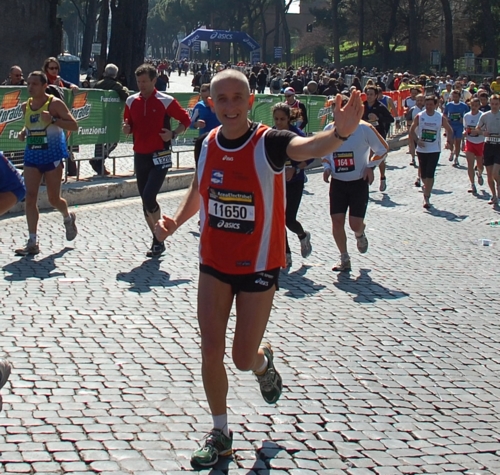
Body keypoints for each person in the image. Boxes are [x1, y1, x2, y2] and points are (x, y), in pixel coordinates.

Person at [154, 69, 363, 468]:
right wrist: (175, 223)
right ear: (211, 103)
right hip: (213, 262)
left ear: (251, 102)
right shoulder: (208, 143)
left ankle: (262, 362)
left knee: (241, 357)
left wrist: (338, 135)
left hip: (259, 265)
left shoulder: (270, 141)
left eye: (237, 98)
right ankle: (220, 433)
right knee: (210, 349)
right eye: (222, 99)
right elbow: (200, 191)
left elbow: (307, 147)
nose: (230, 106)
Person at [123, 63, 191, 257]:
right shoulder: (131, 100)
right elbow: (127, 122)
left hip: (160, 154)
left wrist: (173, 133)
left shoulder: (165, 100)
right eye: (138, 82)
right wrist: (127, 128)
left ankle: (158, 238)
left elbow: (186, 119)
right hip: (140, 154)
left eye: (145, 81)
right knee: (145, 201)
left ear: (154, 81)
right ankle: (157, 240)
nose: (141, 85)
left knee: (149, 196)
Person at [14, 71, 78, 256]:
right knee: (30, 197)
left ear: (44, 86)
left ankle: (67, 217)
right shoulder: (26, 106)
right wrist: (23, 132)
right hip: (32, 156)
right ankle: (32, 241)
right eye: (29, 84)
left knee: (53, 198)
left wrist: (54, 120)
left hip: (52, 155)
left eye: (35, 84)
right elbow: (31, 124)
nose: (30, 87)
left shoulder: (54, 104)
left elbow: (73, 125)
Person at [322, 95, 389, 272]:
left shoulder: (364, 129)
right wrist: (327, 166)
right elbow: (324, 152)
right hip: (338, 182)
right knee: (337, 221)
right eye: (337, 110)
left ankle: (360, 233)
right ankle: (344, 257)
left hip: (358, 182)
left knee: (354, 223)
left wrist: (370, 167)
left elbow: (383, 149)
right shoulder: (329, 129)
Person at [272, 103, 313, 269]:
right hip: (276, 182)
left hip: (294, 182)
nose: (279, 122)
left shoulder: (296, 134)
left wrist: (295, 168)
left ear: (289, 118)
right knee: (278, 219)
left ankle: (303, 235)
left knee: (289, 218)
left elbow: (311, 156)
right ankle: (286, 254)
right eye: (276, 119)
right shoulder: (271, 134)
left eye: (282, 119)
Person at [410, 95, 454, 209]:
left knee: (430, 173)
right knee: (424, 174)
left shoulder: (440, 117)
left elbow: (449, 130)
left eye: (431, 104)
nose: (429, 107)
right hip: (422, 149)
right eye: (427, 104)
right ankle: (426, 186)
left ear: (436, 105)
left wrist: (448, 142)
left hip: (434, 149)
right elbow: (411, 130)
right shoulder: (420, 116)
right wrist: (417, 140)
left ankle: (427, 197)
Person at [89, 63, 130, 175]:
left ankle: (98, 161)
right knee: (114, 140)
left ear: (105, 73)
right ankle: (98, 159)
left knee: (100, 140)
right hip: (112, 116)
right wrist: (125, 88)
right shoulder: (116, 85)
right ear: (115, 74)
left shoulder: (98, 84)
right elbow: (125, 95)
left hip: (99, 115)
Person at [362, 85, 394, 191]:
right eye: (367, 94)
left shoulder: (380, 107)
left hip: (378, 134)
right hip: (365, 134)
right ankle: (365, 179)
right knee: (367, 157)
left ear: (376, 95)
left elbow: (391, 119)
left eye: (371, 94)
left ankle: (382, 177)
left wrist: (378, 118)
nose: (369, 96)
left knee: (379, 158)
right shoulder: (363, 106)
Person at [475, 94, 500, 205]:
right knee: (489, 174)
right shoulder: (485, 116)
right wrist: (482, 132)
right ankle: (494, 195)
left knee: (495, 172)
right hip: (488, 145)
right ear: (490, 104)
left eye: (497, 104)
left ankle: (499, 187)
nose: (494, 106)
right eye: (492, 104)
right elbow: (477, 129)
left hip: (499, 146)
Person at [463, 97, 485, 194]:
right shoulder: (466, 116)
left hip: (480, 142)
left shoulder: (483, 116)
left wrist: (478, 132)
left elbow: (485, 131)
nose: (474, 108)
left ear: (479, 106)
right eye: (472, 105)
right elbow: (465, 128)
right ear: (470, 105)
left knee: (480, 164)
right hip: (470, 142)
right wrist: (465, 132)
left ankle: (479, 174)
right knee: (470, 164)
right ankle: (472, 184)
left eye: (476, 106)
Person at [444, 90, 469, 166]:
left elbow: (468, 115)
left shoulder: (464, 106)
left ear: (459, 97)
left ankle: (456, 158)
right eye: (453, 96)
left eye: (456, 96)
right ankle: (452, 151)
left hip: (459, 126)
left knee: (458, 142)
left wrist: (463, 120)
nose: (455, 98)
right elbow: (444, 114)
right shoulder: (448, 105)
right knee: (451, 141)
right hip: (451, 125)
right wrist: (447, 119)